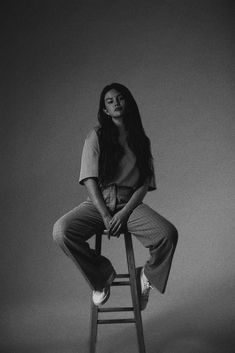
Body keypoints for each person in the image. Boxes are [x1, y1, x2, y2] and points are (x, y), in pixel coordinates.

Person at [53, 83, 178, 310]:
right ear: (105, 111)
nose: (116, 103)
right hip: (98, 201)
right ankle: (101, 275)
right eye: (110, 101)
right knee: (62, 232)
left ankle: (146, 277)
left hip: (129, 203)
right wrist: (105, 214)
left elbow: (144, 185)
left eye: (120, 98)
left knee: (167, 234)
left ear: (127, 102)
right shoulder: (96, 135)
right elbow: (89, 179)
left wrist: (124, 213)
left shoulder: (141, 140)